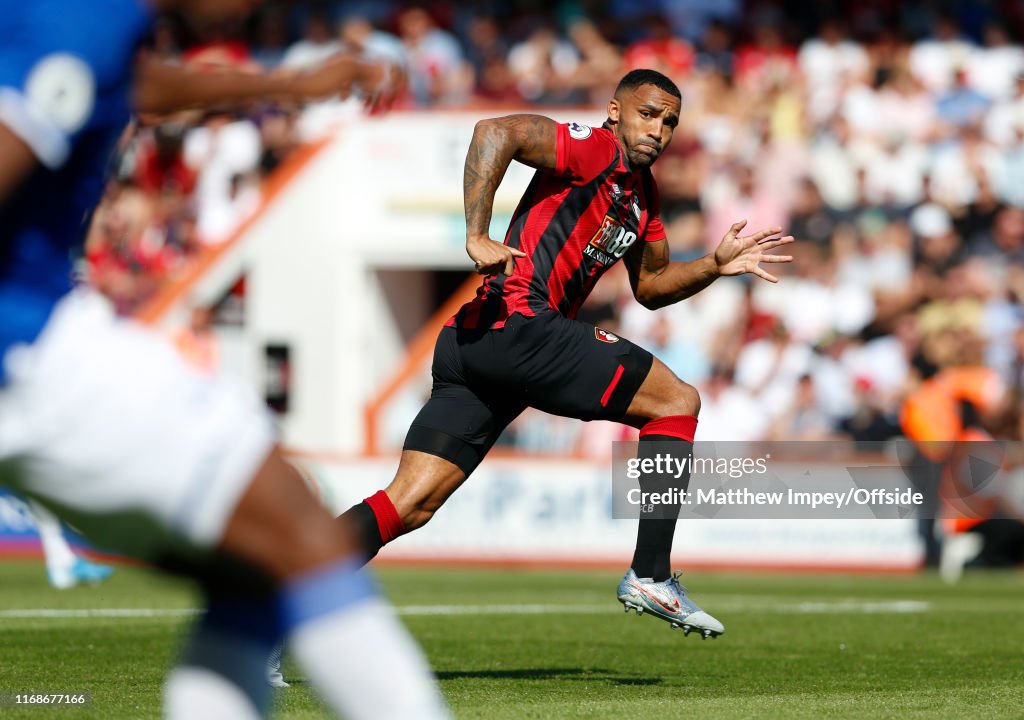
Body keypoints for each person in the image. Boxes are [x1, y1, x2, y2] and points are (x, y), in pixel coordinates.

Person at [0, 1, 446, 718]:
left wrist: (294, 88)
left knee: (254, 572)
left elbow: (133, 86)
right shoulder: (82, 14)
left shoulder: (87, 30)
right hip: (23, 347)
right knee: (303, 539)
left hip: (33, 337)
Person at [337, 68, 794, 639]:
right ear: (615, 111)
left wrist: (713, 266)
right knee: (676, 401)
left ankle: (276, 600)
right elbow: (493, 131)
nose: (659, 129)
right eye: (648, 114)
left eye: (670, 121)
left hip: (477, 345)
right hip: (520, 322)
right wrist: (476, 232)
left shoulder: (643, 196)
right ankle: (651, 574)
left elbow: (650, 287)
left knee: (409, 505)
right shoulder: (593, 148)